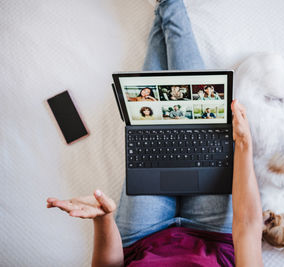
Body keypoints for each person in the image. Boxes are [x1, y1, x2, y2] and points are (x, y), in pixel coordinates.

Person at [46, 0, 263, 266]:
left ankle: (166, 6)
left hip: (141, 238)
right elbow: (248, 226)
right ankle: (170, 6)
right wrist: (243, 144)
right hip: (214, 235)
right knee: (199, 112)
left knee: (149, 117)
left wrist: (103, 220)